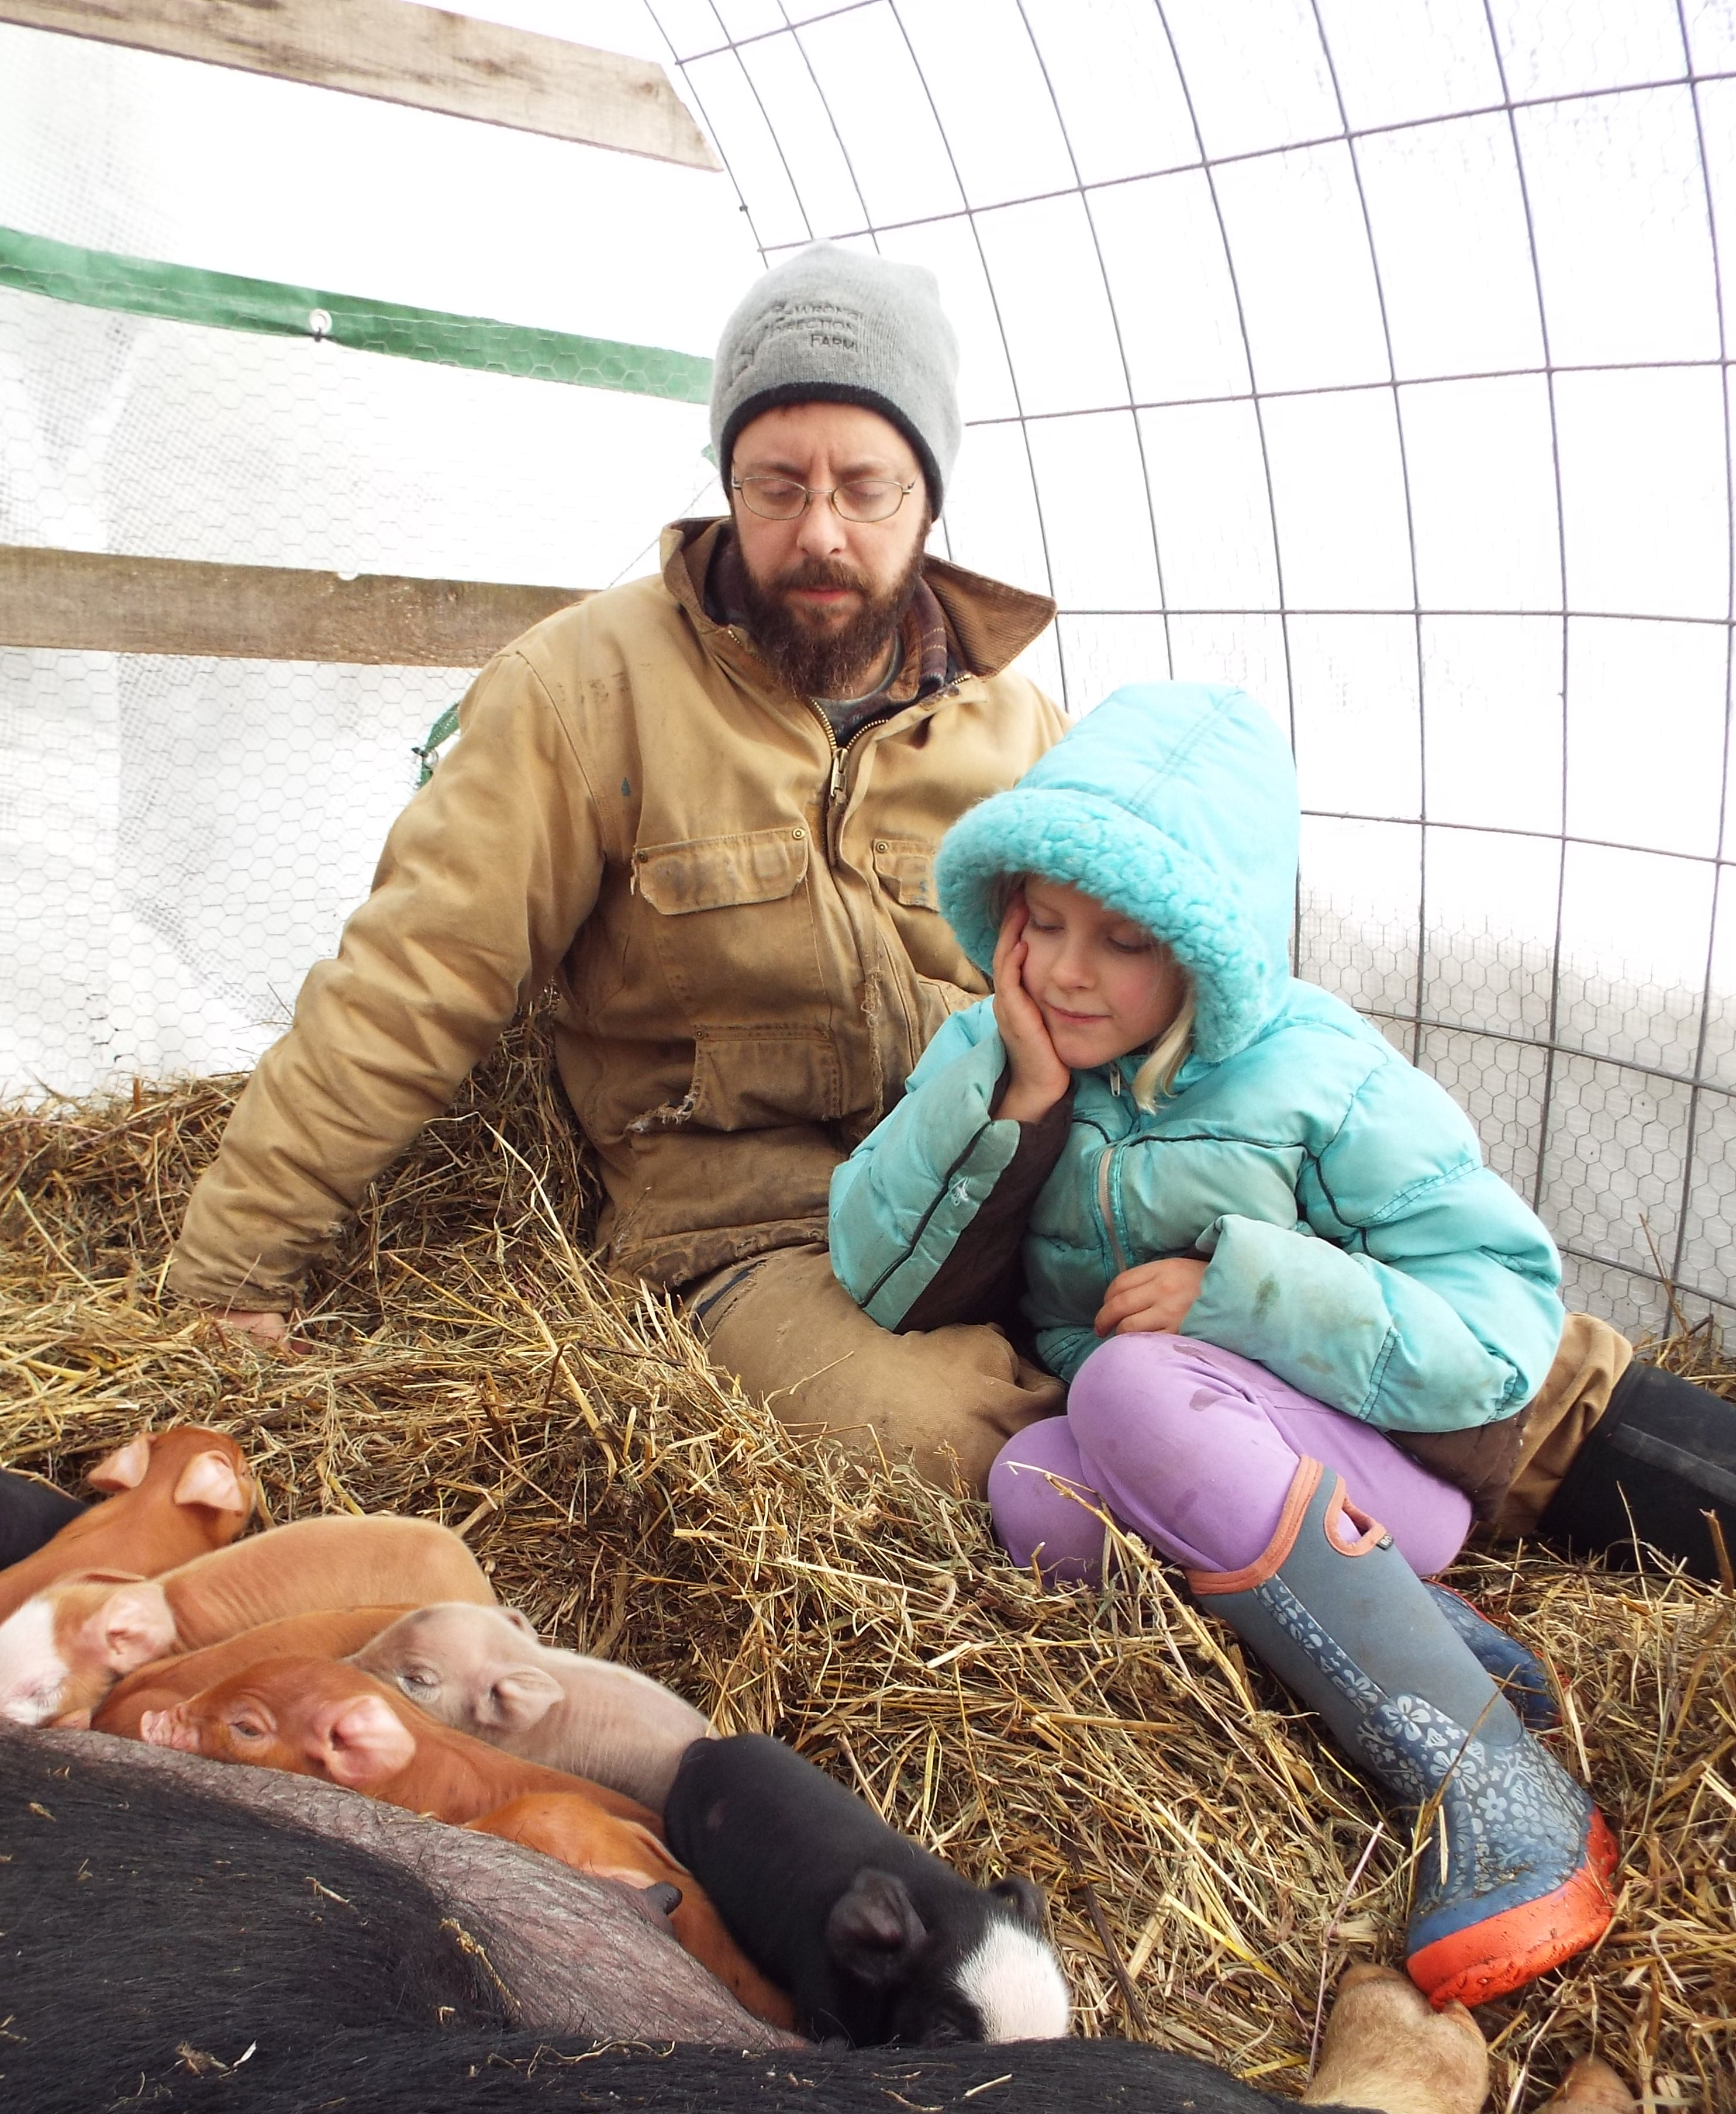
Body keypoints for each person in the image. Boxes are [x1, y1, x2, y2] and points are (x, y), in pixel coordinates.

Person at [827, 682, 1732, 2011]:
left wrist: (1243, 1293)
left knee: (1129, 1381)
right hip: (1207, 1461)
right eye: (1045, 921)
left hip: (1383, 1457)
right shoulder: (997, 1048)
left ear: (1208, 946)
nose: (1070, 971)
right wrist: (1009, 1093)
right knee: (1036, 1496)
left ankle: (1493, 1778)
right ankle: (1420, 1636)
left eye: (1125, 940)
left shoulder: (1323, 1078)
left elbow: (1500, 1319)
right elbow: (873, 1266)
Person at [165, 243, 1069, 1489]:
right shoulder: (584, 689)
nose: (818, 532)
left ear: (929, 498)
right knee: (956, 1451)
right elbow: (414, 979)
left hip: (997, 1195)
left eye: (866, 488)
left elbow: (1155, 990)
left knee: (1233, 1370)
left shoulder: (1022, 729)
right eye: (775, 484)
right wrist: (230, 1276)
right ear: (724, 483)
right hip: (752, 1232)